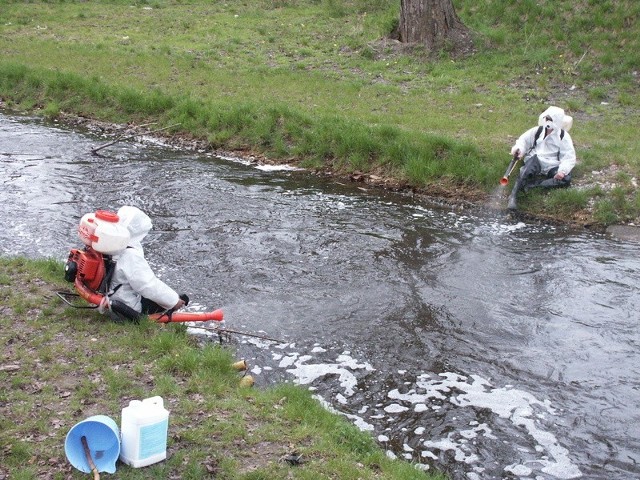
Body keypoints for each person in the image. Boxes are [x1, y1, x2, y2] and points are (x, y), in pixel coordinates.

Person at [107, 205, 187, 320]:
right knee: (179, 297)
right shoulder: (129, 255)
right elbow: (148, 285)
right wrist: (174, 301)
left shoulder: (111, 244)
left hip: (109, 296)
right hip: (125, 307)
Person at [507, 106, 576, 210]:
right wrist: (519, 149)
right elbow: (523, 141)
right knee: (525, 172)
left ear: (557, 121)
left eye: (551, 119)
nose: (548, 121)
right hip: (536, 159)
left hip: (552, 164)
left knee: (566, 179)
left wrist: (562, 171)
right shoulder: (537, 131)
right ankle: (513, 196)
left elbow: (568, 156)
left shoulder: (563, 136)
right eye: (547, 119)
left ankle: (532, 186)